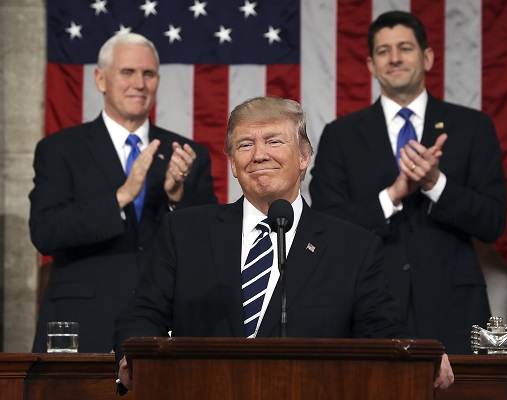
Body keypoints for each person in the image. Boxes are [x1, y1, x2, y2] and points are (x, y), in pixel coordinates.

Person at [113, 96, 454, 392]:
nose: (259, 155)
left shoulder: (352, 246)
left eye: (274, 141)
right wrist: (133, 354)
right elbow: (142, 314)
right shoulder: (185, 231)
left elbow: (383, 330)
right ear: (232, 164)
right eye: (245, 145)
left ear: (305, 157)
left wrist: (421, 355)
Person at [309, 11, 507, 354]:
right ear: (371, 65)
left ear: (427, 57)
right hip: (369, 307)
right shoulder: (340, 135)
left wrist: (435, 184)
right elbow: (327, 225)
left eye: (405, 48)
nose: (395, 58)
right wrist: (392, 195)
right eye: (384, 51)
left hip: (454, 311)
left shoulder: (472, 127)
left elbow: (493, 222)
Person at [29, 32, 217, 353]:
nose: (139, 83)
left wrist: (176, 197)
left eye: (148, 74)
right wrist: (120, 197)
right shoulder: (60, 149)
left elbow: (209, 245)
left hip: (162, 325)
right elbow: (46, 232)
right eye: (127, 72)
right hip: (83, 322)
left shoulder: (187, 154)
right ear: (101, 80)